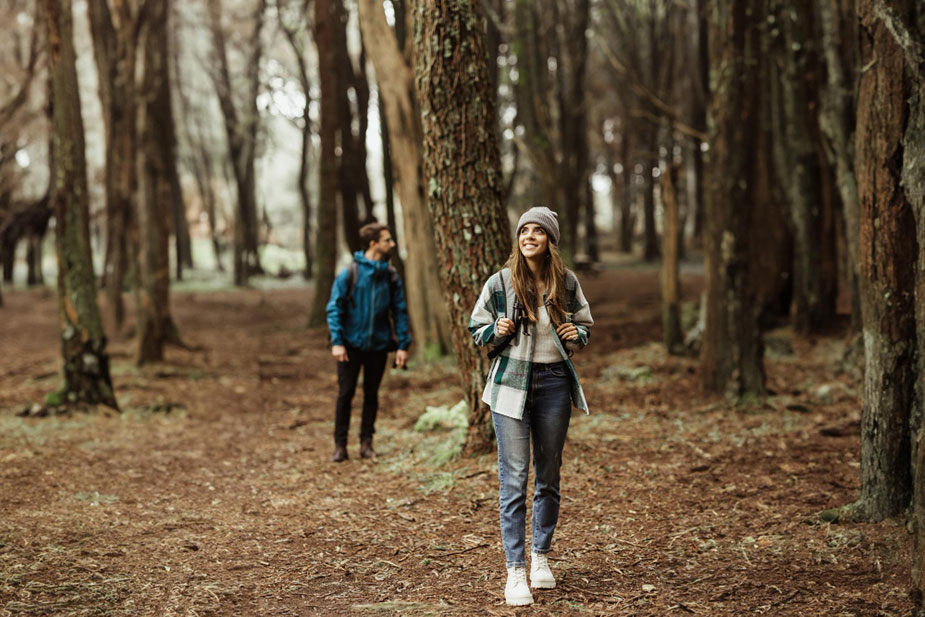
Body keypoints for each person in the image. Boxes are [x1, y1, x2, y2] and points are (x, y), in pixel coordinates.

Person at [468, 206, 593, 607]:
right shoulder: (501, 282)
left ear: (550, 241)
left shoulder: (567, 283)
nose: (530, 236)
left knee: (549, 474)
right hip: (509, 386)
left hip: (554, 384)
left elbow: (585, 327)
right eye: (525, 230)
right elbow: (476, 328)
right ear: (518, 239)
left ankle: (541, 558)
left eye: (539, 231)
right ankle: (515, 570)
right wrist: (495, 329)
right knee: (514, 477)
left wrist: (576, 334)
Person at [326, 222, 410, 463]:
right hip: (350, 346)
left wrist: (403, 345)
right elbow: (334, 308)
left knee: (371, 395)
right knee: (346, 394)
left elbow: (400, 311)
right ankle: (340, 446)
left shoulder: (391, 276)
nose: (392, 244)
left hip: (378, 346)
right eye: (387, 240)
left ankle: (366, 443)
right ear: (373, 244)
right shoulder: (349, 272)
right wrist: (337, 341)